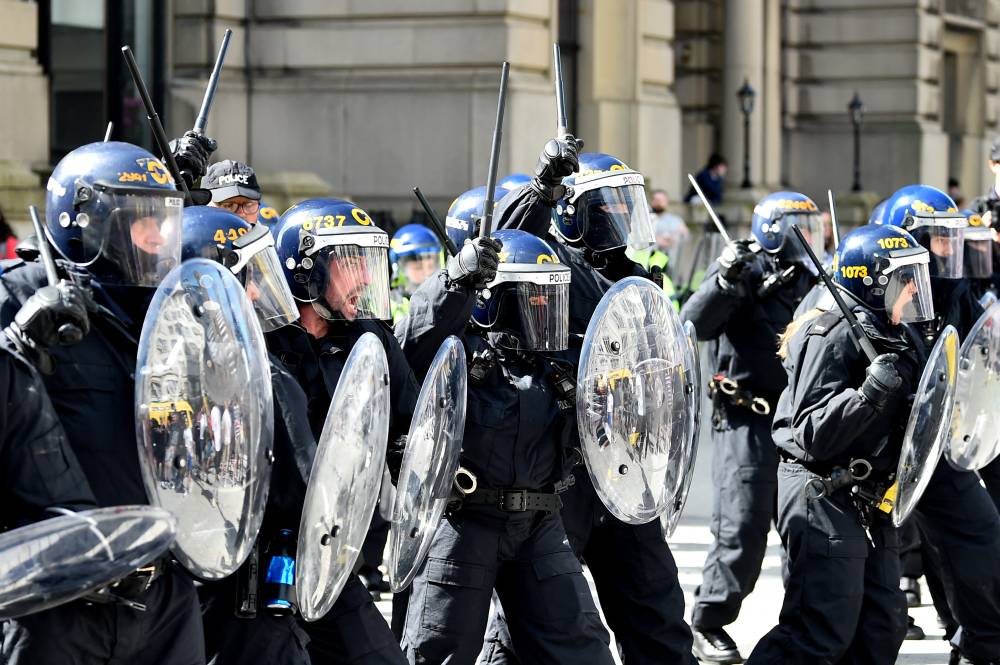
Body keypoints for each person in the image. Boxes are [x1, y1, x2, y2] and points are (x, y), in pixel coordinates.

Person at [475, 141, 697, 665]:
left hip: (624, 465)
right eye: (609, 205)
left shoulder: (634, 278)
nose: (622, 216)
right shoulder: (552, 261)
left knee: (656, 605)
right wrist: (542, 187)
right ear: (577, 211)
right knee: (531, 622)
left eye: (627, 203)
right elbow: (505, 239)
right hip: (565, 467)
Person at [0, 140, 205, 664]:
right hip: (56, 601)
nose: (161, 237)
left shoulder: (168, 308)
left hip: (162, 592)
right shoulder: (21, 295)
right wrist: (16, 342)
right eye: (143, 221)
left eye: (166, 220)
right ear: (90, 223)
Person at [395, 226, 617, 665]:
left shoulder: (558, 365)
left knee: (584, 651)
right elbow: (407, 345)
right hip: (464, 526)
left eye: (551, 300)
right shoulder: (454, 350)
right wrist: (454, 280)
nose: (546, 310)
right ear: (496, 301)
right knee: (436, 653)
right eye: (534, 299)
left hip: (539, 525)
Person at [746, 223, 931, 664]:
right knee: (819, 632)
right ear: (875, 281)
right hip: (822, 488)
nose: (913, 292)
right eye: (906, 282)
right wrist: (867, 396)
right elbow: (812, 432)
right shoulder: (829, 333)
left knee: (881, 625)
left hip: (870, 498)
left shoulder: (898, 333)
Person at [268, 197, 431, 664]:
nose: (364, 276)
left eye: (367, 261)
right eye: (349, 262)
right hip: (255, 562)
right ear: (306, 269)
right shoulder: (257, 336)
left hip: (330, 552)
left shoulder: (369, 336)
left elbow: (411, 424)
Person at [680, 191, 823, 663]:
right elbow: (694, 323)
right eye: (799, 226)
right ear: (773, 229)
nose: (809, 236)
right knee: (741, 525)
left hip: (800, 423)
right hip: (747, 419)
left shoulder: (814, 279)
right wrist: (724, 279)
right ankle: (708, 621)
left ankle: (802, 627)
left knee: (803, 527)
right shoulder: (745, 272)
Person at [178, 204, 315, 665]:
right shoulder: (263, 375)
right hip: (243, 596)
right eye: (244, 277)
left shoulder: (153, 365)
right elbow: (306, 490)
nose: (257, 290)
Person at [877, 185, 1000, 665]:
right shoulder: (876, 292)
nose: (949, 250)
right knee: (866, 592)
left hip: (938, 444)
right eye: (939, 239)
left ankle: (980, 646)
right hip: (879, 450)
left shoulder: (956, 293)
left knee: (982, 536)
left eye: (951, 240)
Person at [388, 223, 443, 323]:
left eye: (430, 266)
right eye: (418, 268)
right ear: (398, 268)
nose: (427, 273)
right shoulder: (387, 307)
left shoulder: (445, 302)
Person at [204, 160, 263, 225]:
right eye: (228, 205)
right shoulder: (193, 232)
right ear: (206, 206)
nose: (241, 215)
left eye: (248, 205)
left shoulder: (272, 232)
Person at [650, 188, 689, 273]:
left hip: (670, 264)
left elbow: (684, 235)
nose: (658, 202)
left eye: (661, 200)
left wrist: (674, 238)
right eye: (656, 200)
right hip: (649, 263)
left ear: (667, 202)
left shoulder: (675, 220)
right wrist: (657, 240)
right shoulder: (646, 219)